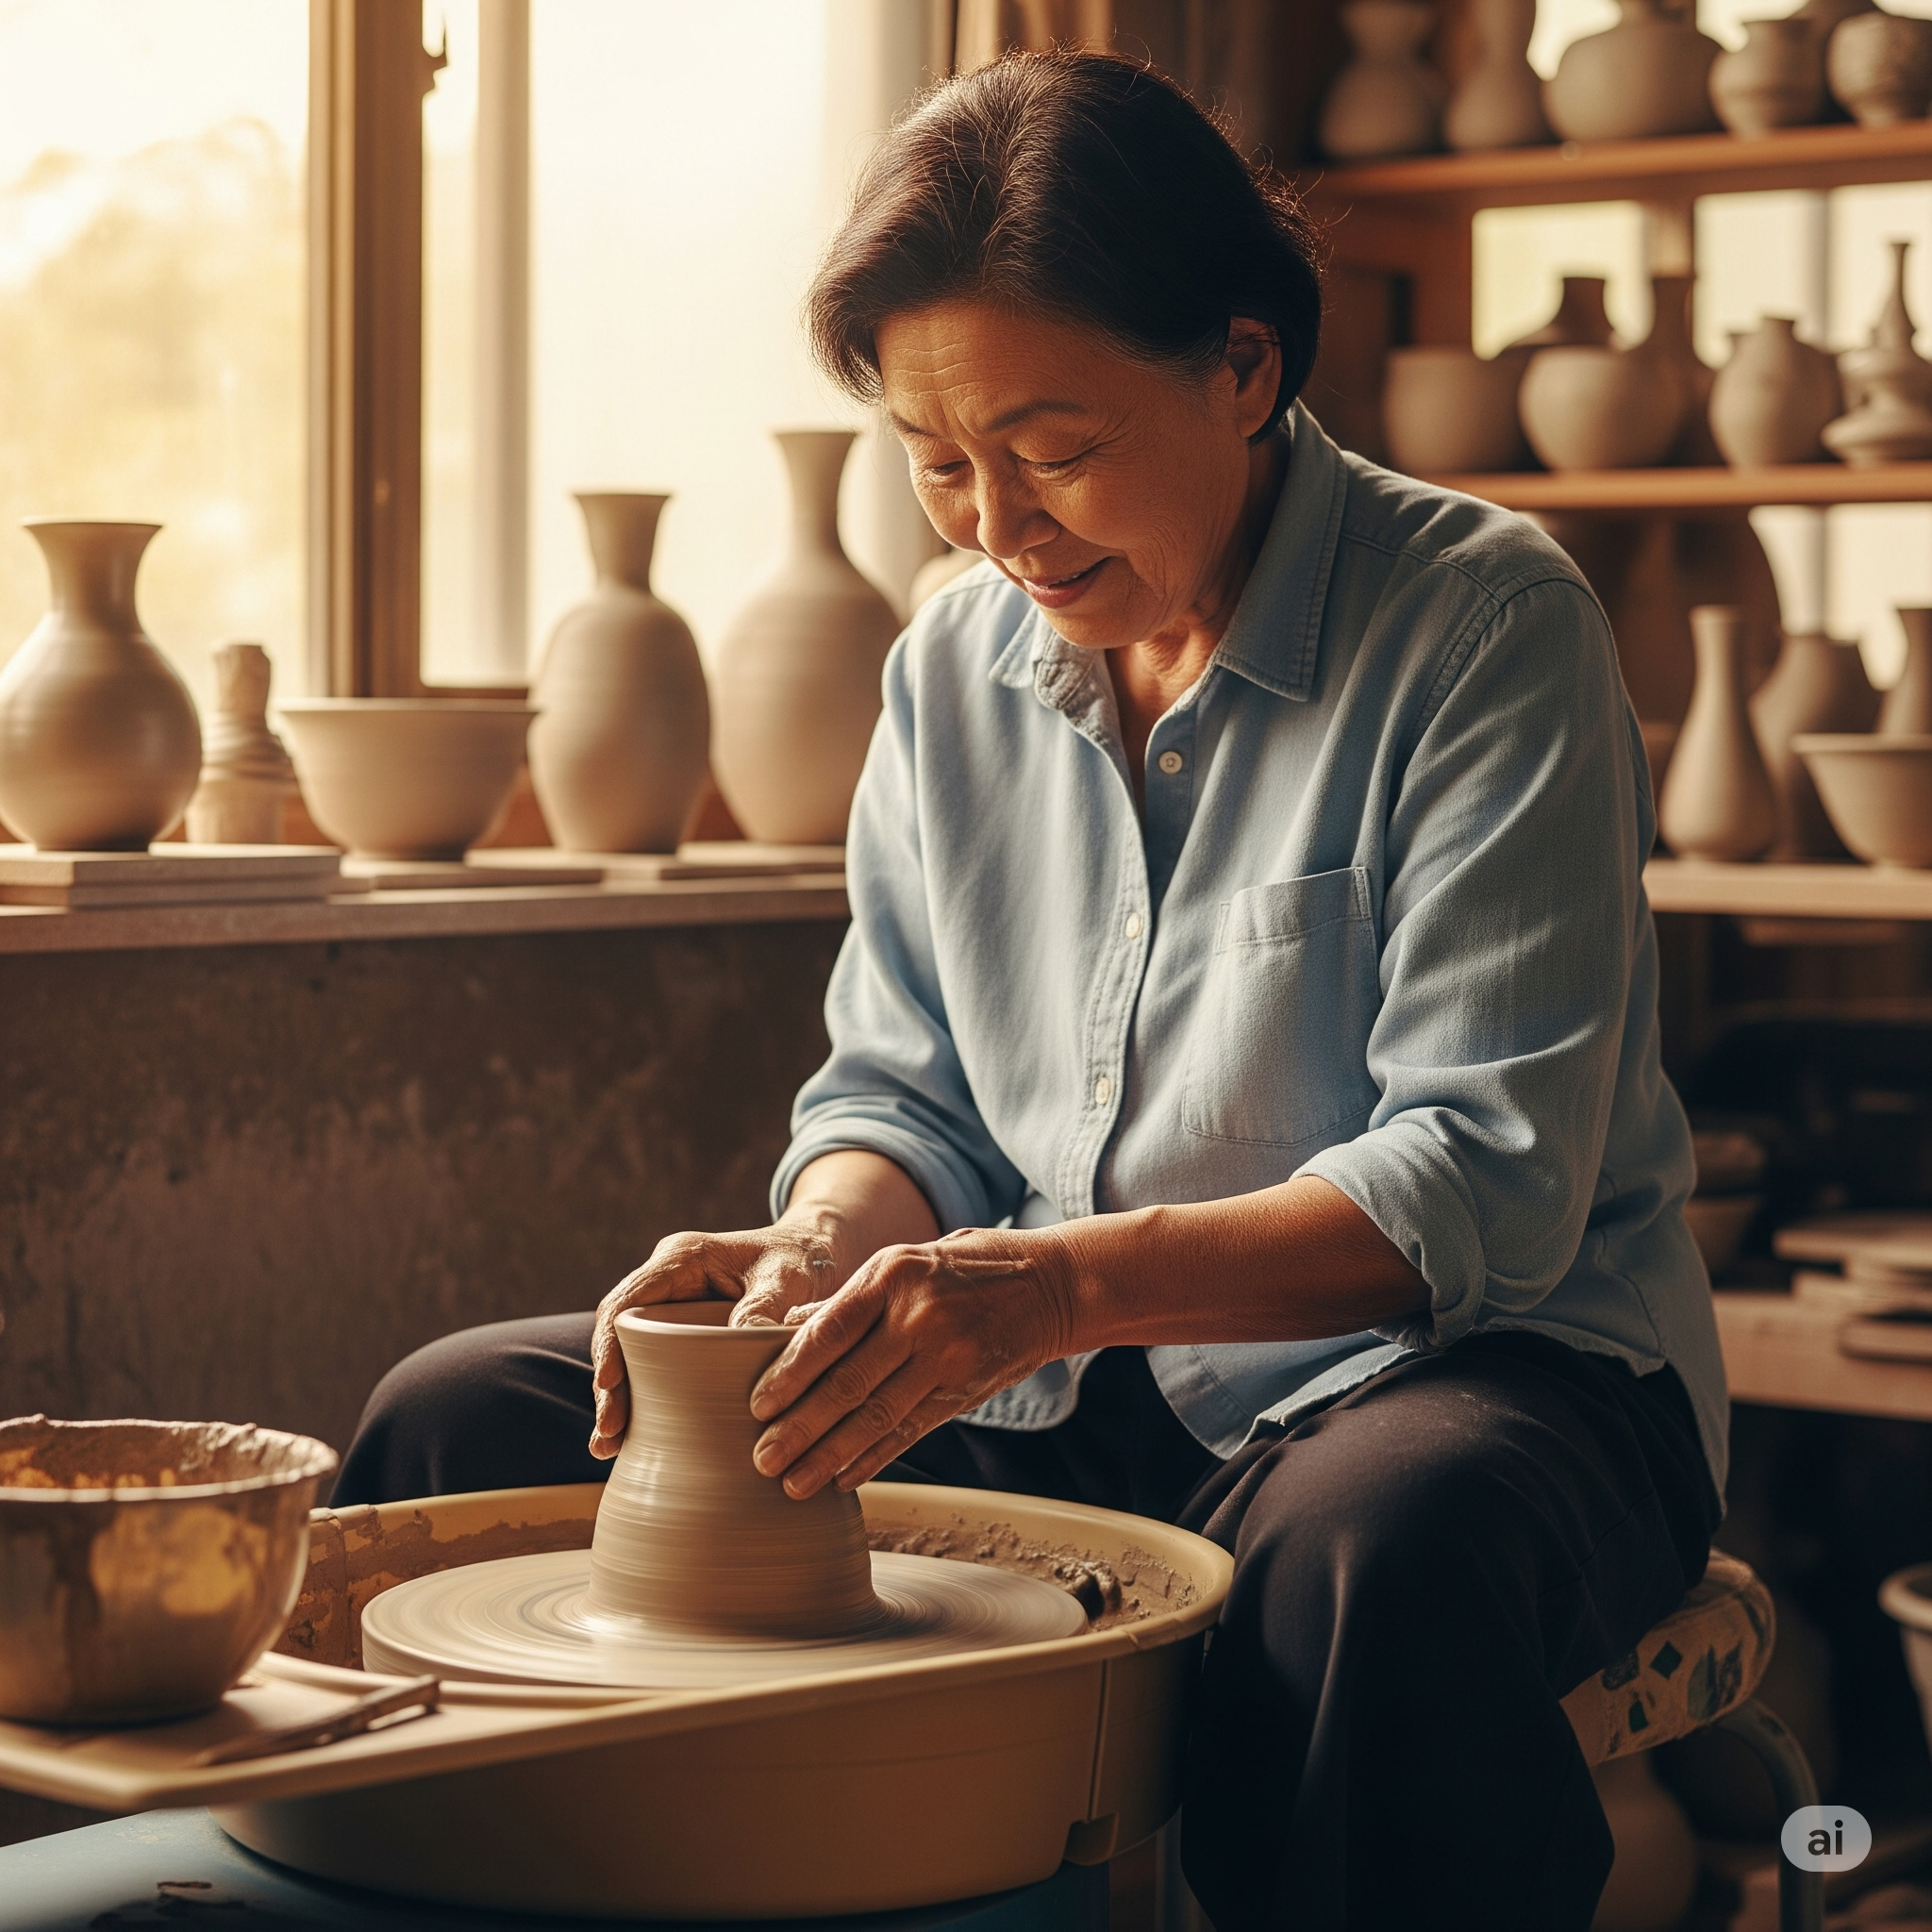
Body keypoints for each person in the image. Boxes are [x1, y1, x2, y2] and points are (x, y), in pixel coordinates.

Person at [334, 49, 1724, 1932]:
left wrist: (1045, 1283)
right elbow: (900, 1100)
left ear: (1243, 368)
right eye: (937, 464)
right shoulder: (953, 663)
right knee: (466, 1422)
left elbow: (1480, 1179)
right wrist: (819, 1251)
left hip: (1476, 1380)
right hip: (1056, 1372)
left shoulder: (1484, 625)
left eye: (1052, 449)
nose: (997, 524)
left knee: (1369, 1546)